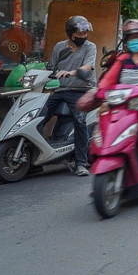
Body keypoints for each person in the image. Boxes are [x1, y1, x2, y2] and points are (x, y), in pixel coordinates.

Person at [40, 15, 96, 176]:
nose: (83, 37)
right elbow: (51, 67)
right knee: (40, 115)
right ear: (70, 33)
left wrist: (70, 73)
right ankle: (33, 158)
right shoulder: (59, 47)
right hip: (61, 90)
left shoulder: (90, 47)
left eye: (85, 34)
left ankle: (80, 162)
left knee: (80, 121)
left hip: (82, 90)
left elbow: (88, 66)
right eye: (79, 34)